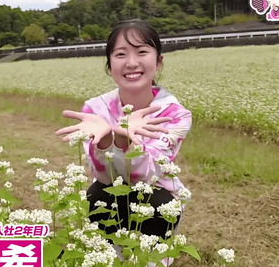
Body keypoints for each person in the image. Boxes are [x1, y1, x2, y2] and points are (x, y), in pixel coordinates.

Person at [56, 19, 192, 240]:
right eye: (120, 54)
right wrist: (105, 142)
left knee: (158, 203)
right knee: (97, 195)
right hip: (108, 193)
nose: (131, 63)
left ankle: (152, 264)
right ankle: (106, 263)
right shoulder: (94, 110)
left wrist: (122, 139)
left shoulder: (175, 114)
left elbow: (147, 177)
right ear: (109, 66)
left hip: (157, 195)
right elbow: (103, 177)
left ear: (158, 62)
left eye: (141, 52)